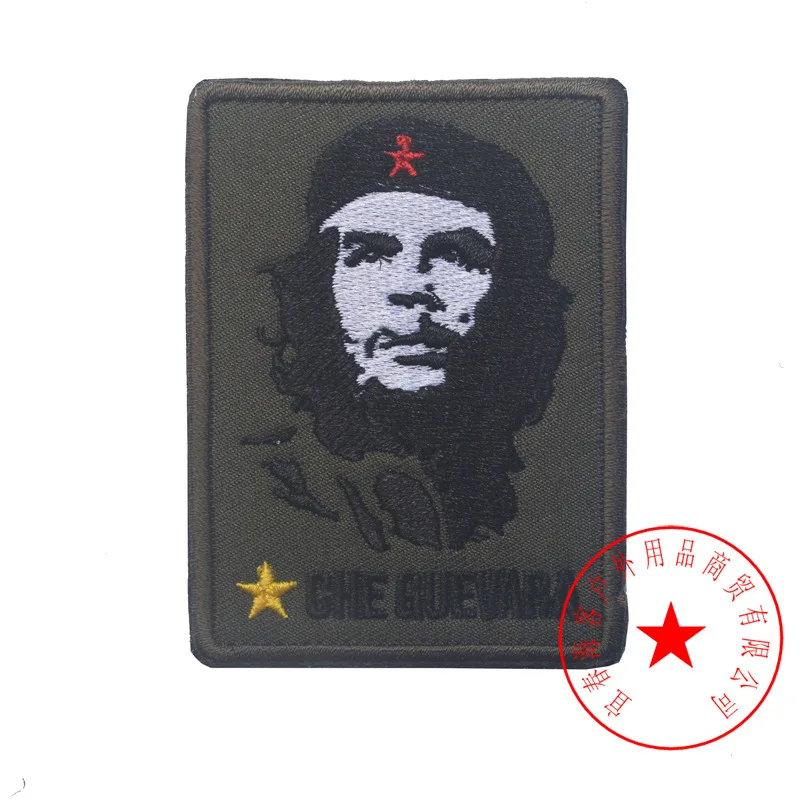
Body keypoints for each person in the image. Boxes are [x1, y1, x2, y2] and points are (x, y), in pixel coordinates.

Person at [268, 119, 569, 550]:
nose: (410, 288)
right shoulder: (269, 481)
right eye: (370, 254)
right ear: (319, 284)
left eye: (455, 256)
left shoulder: (560, 488)